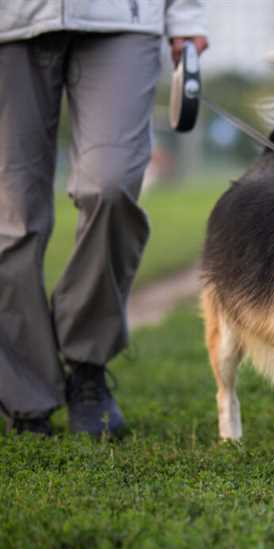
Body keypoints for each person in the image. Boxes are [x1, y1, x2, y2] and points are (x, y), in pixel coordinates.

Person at [0, 1, 208, 437]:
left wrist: (186, 18)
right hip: (9, 26)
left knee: (110, 189)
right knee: (12, 215)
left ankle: (87, 363)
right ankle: (23, 397)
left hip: (121, 18)